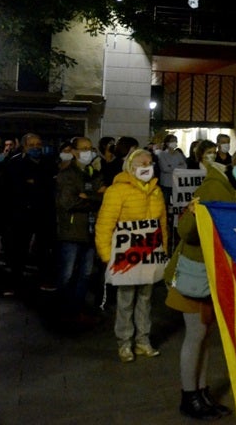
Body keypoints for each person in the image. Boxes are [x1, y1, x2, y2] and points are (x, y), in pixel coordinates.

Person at [165, 143, 236, 419]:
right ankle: (189, 396)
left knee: (205, 335)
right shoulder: (213, 186)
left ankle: (201, 391)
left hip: (218, 274)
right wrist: (197, 216)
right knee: (196, 334)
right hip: (195, 271)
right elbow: (186, 232)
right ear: (235, 160)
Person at [95, 148, 169, 361]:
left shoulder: (156, 191)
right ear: (130, 167)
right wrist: (106, 256)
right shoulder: (117, 191)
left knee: (145, 299)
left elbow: (161, 224)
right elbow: (105, 224)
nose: (147, 167)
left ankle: (143, 341)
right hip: (126, 257)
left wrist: (163, 250)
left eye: (149, 163)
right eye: (142, 164)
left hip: (149, 255)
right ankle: (124, 343)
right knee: (126, 300)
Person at [54, 137, 105, 325]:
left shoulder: (94, 173)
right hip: (72, 231)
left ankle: (78, 308)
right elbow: (68, 202)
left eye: (90, 148)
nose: (87, 152)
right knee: (67, 274)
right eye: (82, 149)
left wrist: (87, 196)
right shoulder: (67, 175)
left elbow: (105, 196)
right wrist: (94, 198)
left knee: (86, 273)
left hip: (91, 231)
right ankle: (63, 310)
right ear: (73, 151)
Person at [2, 133, 58, 297]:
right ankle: (15, 282)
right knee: (18, 249)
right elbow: (12, 188)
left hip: (44, 213)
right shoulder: (15, 163)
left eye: (38, 144)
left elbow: (50, 185)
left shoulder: (48, 163)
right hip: (21, 214)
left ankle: (43, 280)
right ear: (24, 146)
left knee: (43, 250)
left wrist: (36, 183)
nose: (36, 147)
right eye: (31, 145)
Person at [157, 134, 188, 208]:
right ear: (167, 143)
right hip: (166, 183)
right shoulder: (162, 154)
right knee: (165, 203)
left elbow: (185, 166)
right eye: (173, 141)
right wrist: (178, 166)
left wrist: (171, 166)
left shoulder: (178, 154)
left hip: (177, 183)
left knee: (176, 204)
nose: (175, 142)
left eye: (176, 141)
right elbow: (165, 168)